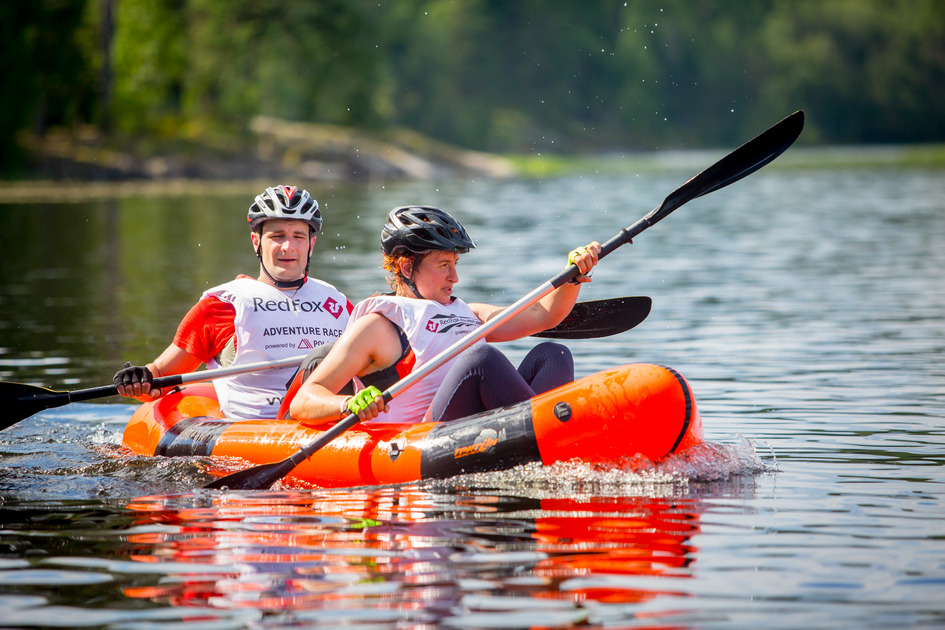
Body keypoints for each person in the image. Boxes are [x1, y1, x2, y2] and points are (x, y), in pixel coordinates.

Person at [288, 205, 599, 425]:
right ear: (407, 267)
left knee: (553, 353)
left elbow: (542, 316)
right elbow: (306, 399)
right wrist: (347, 404)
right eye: (443, 266)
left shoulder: (468, 312)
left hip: (478, 428)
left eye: (455, 265)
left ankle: (553, 432)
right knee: (482, 360)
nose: (455, 277)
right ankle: (555, 430)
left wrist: (571, 278)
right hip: (425, 439)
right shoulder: (379, 327)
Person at [113, 185, 353, 420]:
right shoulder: (221, 307)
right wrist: (139, 379)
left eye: (298, 236)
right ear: (256, 241)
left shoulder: (339, 303)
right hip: (264, 432)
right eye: (276, 236)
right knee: (322, 357)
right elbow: (161, 378)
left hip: (332, 419)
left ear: (311, 244)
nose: (288, 246)